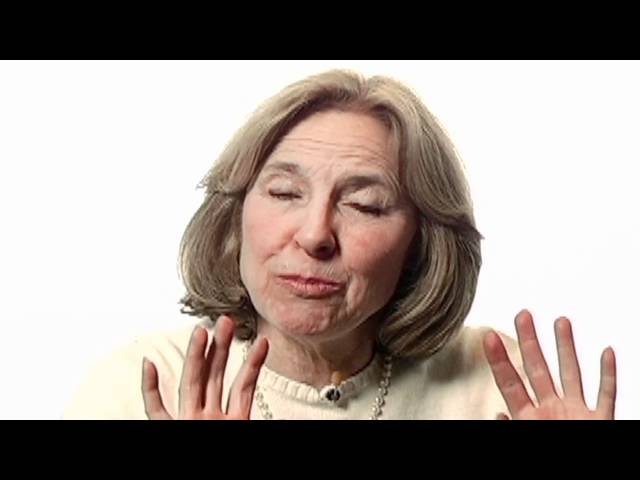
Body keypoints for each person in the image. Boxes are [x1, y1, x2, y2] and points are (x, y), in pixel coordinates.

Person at [63, 69, 617, 420]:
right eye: (284, 193)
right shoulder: (139, 386)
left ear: (422, 244)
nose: (314, 235)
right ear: (235, 218)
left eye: (365, 205)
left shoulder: (502, 388)